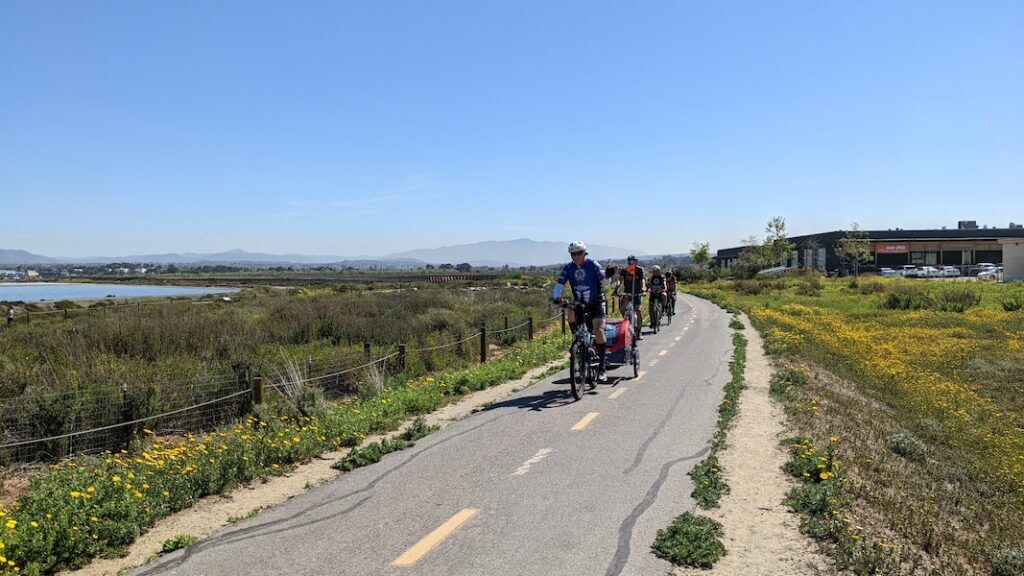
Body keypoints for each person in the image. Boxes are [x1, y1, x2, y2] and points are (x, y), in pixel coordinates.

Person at [553, 241, 609, 382]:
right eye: (573, 254)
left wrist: (607, 276)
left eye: (579, 253)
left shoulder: (592, 264)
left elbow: (603, 278)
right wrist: (557, 297)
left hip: (596, 302)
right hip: (580, 302)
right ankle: (577, 340)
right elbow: (560, 284)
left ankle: (602, 368)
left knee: (598, 331)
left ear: (585, 253)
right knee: (570, 312)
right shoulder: (568, 268)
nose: (576, 256)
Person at [619, 256, 644, 340]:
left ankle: (639, 331)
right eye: (629, 262)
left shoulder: (639, 270)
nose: (631, 264)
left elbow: (642, 281)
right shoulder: (624, 270)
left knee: (638, 310)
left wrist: (642, 288)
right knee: (622, 308)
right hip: (627, 293)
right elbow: (620, 280)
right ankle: (626, 322)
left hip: (637, 293)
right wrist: (617, 288)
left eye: (633, 262)